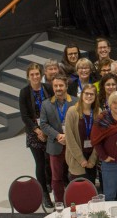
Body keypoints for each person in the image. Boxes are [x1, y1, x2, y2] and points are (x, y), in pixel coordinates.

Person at [18, 63, 54, 207]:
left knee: (50, 160)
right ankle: (44, 192)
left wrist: (47, 130)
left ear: (41, 75)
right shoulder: (24, 92)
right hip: (34, 131)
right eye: (32, 74)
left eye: (37, 74)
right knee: (40, 162)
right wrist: (38, 130)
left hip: (49, 129)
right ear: (28, 77)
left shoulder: (48, 88)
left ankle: (52, 184)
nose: (35, 77)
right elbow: (25, 116)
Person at [39, 75, 73, 203]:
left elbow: (79, 122)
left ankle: (73, 201)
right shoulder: (45, 104)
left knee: (74, 176)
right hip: (55, 144)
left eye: (61, 85)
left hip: (72, 145)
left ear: (66, 86)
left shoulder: (75, 102)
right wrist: (58, 135)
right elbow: (43, 124)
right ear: (52, 87)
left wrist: (68, 137)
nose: (58, 88)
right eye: (55, 86)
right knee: (56, 178)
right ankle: (59, 204)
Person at [64, 86, 100, 183]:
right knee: (79, 191)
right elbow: (69, 138)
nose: (89, 96)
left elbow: (100, 138)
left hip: (92, 157)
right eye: (86, 93)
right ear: (82, 95)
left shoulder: (98, 112)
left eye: (92, 94)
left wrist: (93, 159)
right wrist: (81, 159)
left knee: (91, 190)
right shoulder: (72, 111)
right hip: (76, 158)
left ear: (95, 96)